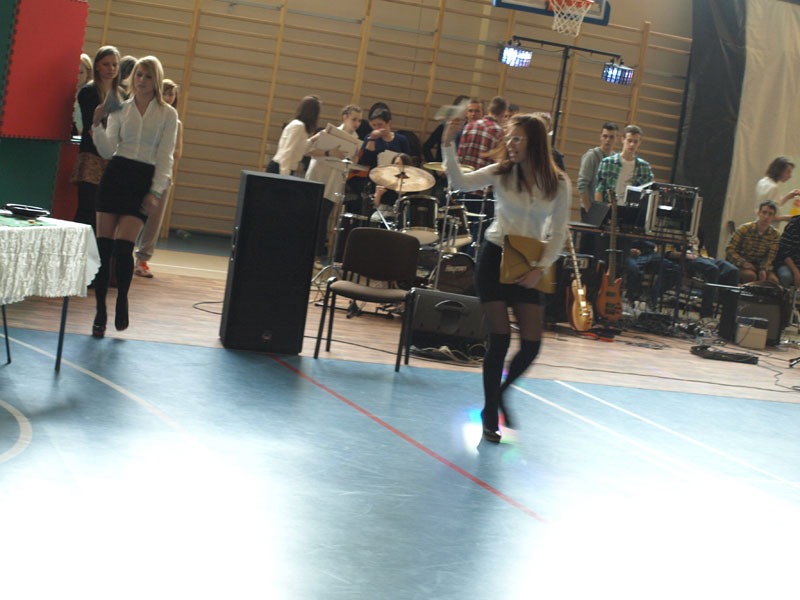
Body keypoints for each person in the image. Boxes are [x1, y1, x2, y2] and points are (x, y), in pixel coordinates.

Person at [442, 113, 569, 443]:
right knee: (499, 339)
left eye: (517, 138)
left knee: (532, 344)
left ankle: (500, 394)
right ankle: (489, 414)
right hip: (494, 257)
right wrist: (448, 144)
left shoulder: (558, 182)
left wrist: (541, 268)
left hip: (530, 263)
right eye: (509, 138)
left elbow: (558, 232)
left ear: (534, 142)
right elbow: (460, 183)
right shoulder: (501, 172)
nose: (510, 144)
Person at [90, 56, 179, 337]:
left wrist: (155, 190)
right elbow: (107, 150)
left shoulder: (168, 115)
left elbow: (165, 157)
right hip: (116, 175)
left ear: (157, 80)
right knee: (103, 249)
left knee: (123, 248)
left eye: (148, 76)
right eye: (138, 75)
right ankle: (100, 311)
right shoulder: (121, 108)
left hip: (142, 179)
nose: (142, 80)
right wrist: (97, 125)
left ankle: (122, 300)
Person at [134, 78, 184, 278]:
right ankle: (121, 254)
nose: (168, 97)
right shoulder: (147, 115)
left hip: (163, 176)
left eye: (172, 93)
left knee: (154, 221)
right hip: (142, 171)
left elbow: (177, 152)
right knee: (134, 214)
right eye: (165, 92)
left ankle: (142, 260)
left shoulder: (176, 123)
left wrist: (163, 154)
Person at [70, 46, 122, 231]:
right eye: (106, 64)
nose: (111, 68)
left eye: (114, 64)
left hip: (112, 159)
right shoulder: (89, 91)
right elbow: (90, 126)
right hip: (92, 156)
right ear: (97, 66)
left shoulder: (120, 94)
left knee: (104, 212)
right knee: (87, 209)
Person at [305, 104, 362, 264]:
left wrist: (355, 158)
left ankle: (316, 256)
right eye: (354, 119)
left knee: (323, 217)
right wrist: (330, 152)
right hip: (318, 174)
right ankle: (303, 251)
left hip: (333, 179)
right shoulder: (329, 132)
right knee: (310, 214)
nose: (357, 123)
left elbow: (353, 163)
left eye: (359, 120)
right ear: (345, 117)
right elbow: (308, 150)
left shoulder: (356, 139)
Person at [266, 95, 331, 176]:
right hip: (281, 168)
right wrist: (284, 176)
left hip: (284, 168)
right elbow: (287, 151)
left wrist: (315, 137)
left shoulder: (300, 126)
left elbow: (301, 150)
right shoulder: (298, 126)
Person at [595, 124, 653, 204]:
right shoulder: (607, 162)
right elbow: (599, 190)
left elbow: (647, 193)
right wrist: (600, 209)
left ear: (639, 143)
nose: (632, 144)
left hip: (630, 208)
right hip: (609, 206)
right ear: (623, 139)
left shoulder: (644, 167)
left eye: (635, 142)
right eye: (629, 141)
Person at [725, 201, 780, 284]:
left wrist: (763, 269)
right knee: (750, 276)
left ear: (773, 217)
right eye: (764, 212)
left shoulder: (775, 234)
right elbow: (729, 249)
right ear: (758, 213)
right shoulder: (745, 228)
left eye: (770, 214)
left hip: (759, 266)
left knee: (773, 281)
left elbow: (770, 256)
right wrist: (743, 263)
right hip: (741, 264)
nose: (766, 217)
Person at [457, 96, 507, 171]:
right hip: (484, 176)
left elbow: (460, 155)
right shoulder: (499, 132)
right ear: (503, 113)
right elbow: (498, 162)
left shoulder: (469, 126)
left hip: (465, 174)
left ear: (489, 109)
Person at [577, 122, 619, 213]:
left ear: (616, 139)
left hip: (607, 210)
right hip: (591, 207)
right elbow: (582, 184)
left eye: (611, 137)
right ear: (600, 137)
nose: (607, 140)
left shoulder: (616, 159)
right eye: (605, 136)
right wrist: (589, 208)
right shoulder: (592, 156)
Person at [370, 153, 415, 225]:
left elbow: (402, 193)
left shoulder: (412, 183)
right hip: (381, 211)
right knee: (374, 220)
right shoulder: (385, 179)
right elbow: (374, 205)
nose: (397, 166)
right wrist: (378, 194)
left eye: (401, 164)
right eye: (396, 164)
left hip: (398, 214)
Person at [422, 94, 468, 163]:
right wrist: (434, 164)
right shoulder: (443, 127)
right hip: (442, 165)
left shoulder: (469, 130)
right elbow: (426, 147)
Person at [755, 157, 800, 223]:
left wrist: (788, 196)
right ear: (779, 170)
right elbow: (770, 216)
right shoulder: (773, 187)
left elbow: (772, 206)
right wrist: (792, 218)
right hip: (768, 227)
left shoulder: (763, 181)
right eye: (788, 172)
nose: (790, 176)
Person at [773, 214, 800, 288]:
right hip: (787, 263)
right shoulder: (794, 225)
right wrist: (796, 272)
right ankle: (782, 294)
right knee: (786, 277)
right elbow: (784, 251)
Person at [71, 53, 93, 135]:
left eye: (81, 72)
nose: (77, 76)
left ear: (88, 73)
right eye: (74, 71)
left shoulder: (92, 94)